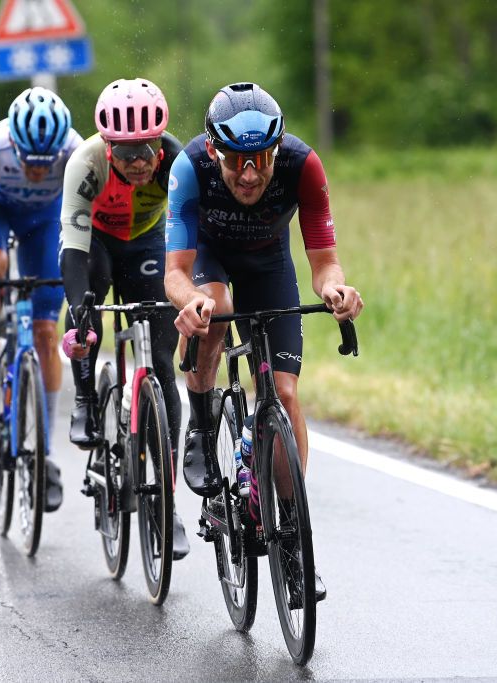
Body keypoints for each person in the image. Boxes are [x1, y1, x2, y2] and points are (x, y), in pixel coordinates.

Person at [164, 82, 365, 600]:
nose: (249, 174)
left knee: (286, 393)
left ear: (276, 150)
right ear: (215, 150)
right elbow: (175, 273)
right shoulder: (190, 168)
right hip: (209, 259)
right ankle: (203, 426)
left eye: (261, 160)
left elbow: (324, 264)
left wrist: (336, 291)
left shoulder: (304, 166)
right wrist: (190, 303)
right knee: (218, 310)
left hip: (268, 264)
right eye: (236, 162)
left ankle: (294, 541)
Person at [58, 78, 190, 559]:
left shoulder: (177, 163)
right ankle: (86, 396)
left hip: (149, 242)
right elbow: (72, 252)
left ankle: (168, 502)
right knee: (86, 317)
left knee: (160, 360)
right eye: (126, 151)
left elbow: (196, 234)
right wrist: (79, 310)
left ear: (160, 141)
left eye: (146, 149)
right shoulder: (85, 165)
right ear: (108, 146)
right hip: (95, 242)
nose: (138, 162)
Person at [0, 86, 82, 513]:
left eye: (47, 164)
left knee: (46, 332)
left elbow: (82, 224)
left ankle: (44, 454)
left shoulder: (75, 152)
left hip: (46, 224)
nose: (38, 172)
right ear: (14, 145)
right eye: (29, 162)